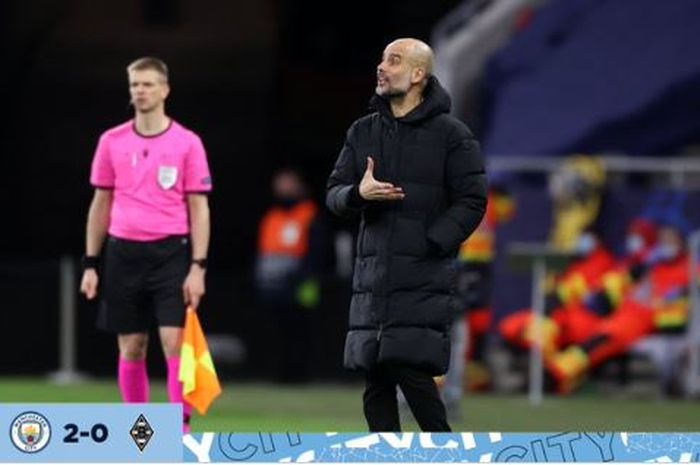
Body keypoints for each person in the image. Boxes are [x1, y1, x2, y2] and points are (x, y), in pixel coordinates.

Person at [326, 38, 487, 431]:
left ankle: (447, 454)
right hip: (373, 277)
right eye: (381, 59)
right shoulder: (362, 131)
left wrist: (432, 242)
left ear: (418, 74)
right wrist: (356, 195)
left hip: (422, 275)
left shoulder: (452, 135)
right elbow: (334, 195)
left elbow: (472, 200)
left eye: (393, 61)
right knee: (376, 379)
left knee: (409, 370)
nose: (381, 67)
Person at [79, 57, 212, 433]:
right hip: (123, 254)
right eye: (135, 84)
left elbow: (199, 209)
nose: (140, 90)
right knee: (132, 346)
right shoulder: (111, 141)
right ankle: (140, 435)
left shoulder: (187, 142)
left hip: (171, 253)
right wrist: (91, 263)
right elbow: (99, 204)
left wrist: (197, 266)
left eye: (148, 84)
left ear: (165, 89)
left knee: (174, 342)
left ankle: (179, 432)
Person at [254, 168, 325, 382]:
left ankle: (300, 375)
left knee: (301, 330)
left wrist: (298, 277)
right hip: (271, 285)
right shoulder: (272, 216)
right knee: (277, 332)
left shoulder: (309, 213)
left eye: (288, 183)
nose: (283, 188)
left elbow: (317, 251)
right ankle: (279, 374)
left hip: (301, 285)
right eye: (280, 183)